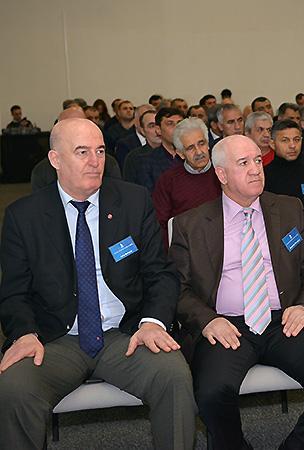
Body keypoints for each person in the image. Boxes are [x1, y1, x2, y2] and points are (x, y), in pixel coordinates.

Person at [0, 118, 196, 449]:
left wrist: (152, 322)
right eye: (82, 152)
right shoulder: (24, 216)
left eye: (101, 151)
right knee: (14, 388)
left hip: (126, 334)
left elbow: (160, 273)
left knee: (173, 375)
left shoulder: (133, 201)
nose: (95, 161)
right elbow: (13, 292)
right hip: (56, 339)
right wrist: (25, 332)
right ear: (55, 159)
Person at [169, 134, 304, 450]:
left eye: (257, 160)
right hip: (227, 326)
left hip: (284, 320)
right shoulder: (192, 224)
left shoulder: (288, 209)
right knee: (211, 393)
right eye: (243, 163)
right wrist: (207, 320)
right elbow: (178, 288)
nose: (256, 169)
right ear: (221, 174)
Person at [152, 118, 220, 249]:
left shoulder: (223, 172)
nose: (199, 152)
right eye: (190, 148)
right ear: (180, 154)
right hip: (185, 248)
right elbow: (160, 225)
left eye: (201, 143)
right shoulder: (168, 181)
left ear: (208, 144)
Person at [128, 108, 184, 193]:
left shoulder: (192, 156)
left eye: (180, 124)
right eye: (170, 124)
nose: (177, 128)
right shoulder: (146, 162)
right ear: (158, 130)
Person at [122, 109, 163, 184]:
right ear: (143, 131)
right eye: (152, 126)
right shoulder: (134, 158)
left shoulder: (176, 154)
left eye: (159, 125)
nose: (157, 130)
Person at [115, 104, 153, 169]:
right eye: (143, 119)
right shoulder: (124, 144)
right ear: (135, 121)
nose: (146, 123)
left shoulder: (162, 142)